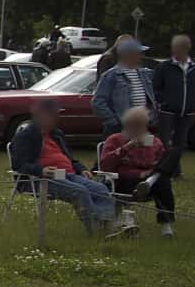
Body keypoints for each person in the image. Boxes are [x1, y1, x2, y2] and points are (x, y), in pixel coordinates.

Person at [9, 97, 124, 235]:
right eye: (53, 114)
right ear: (41, 115)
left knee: (99, 188)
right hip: (40, 179)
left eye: (57, 114)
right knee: (80, 191)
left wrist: (81, 169)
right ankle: (96, 230)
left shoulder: (57, 134)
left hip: (67, 174)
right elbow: (19, 165)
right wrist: (42, 170)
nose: (57, 117)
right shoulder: (26, 136)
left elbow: (69, 159)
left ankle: (108, 226)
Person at [99, 106, 175, 237]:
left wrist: (151, 171)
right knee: (156, 179)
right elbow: (105, 165)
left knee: (163, 179)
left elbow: (162, 163)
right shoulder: (115, 140)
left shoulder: (154, 142)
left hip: (150, 180)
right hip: (123, 181)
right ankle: (144, 186)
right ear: (127, 125)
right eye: (133, 126)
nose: (138, 130)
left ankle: (166, 225)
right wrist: (127, 147)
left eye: (141, 126)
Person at [149, 33, 195, 178]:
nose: (177, 50)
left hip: (187, 111)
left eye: (180, 47)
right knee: (164, 142)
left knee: (180, 142)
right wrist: (163, 101)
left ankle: (175, 170)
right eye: (175, 47)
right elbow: (155, 87)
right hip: (167, 111)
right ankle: (163, 171)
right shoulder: (165, 67)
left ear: (187, 48)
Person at [93, 36, 153, 138]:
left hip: (140, 127)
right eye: (137, 53)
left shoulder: (143, 74)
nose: (141, 56)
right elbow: (98, 102)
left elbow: (150, 98)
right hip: (120, 129)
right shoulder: (112, 75)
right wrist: (114, 122)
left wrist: (150, 117)